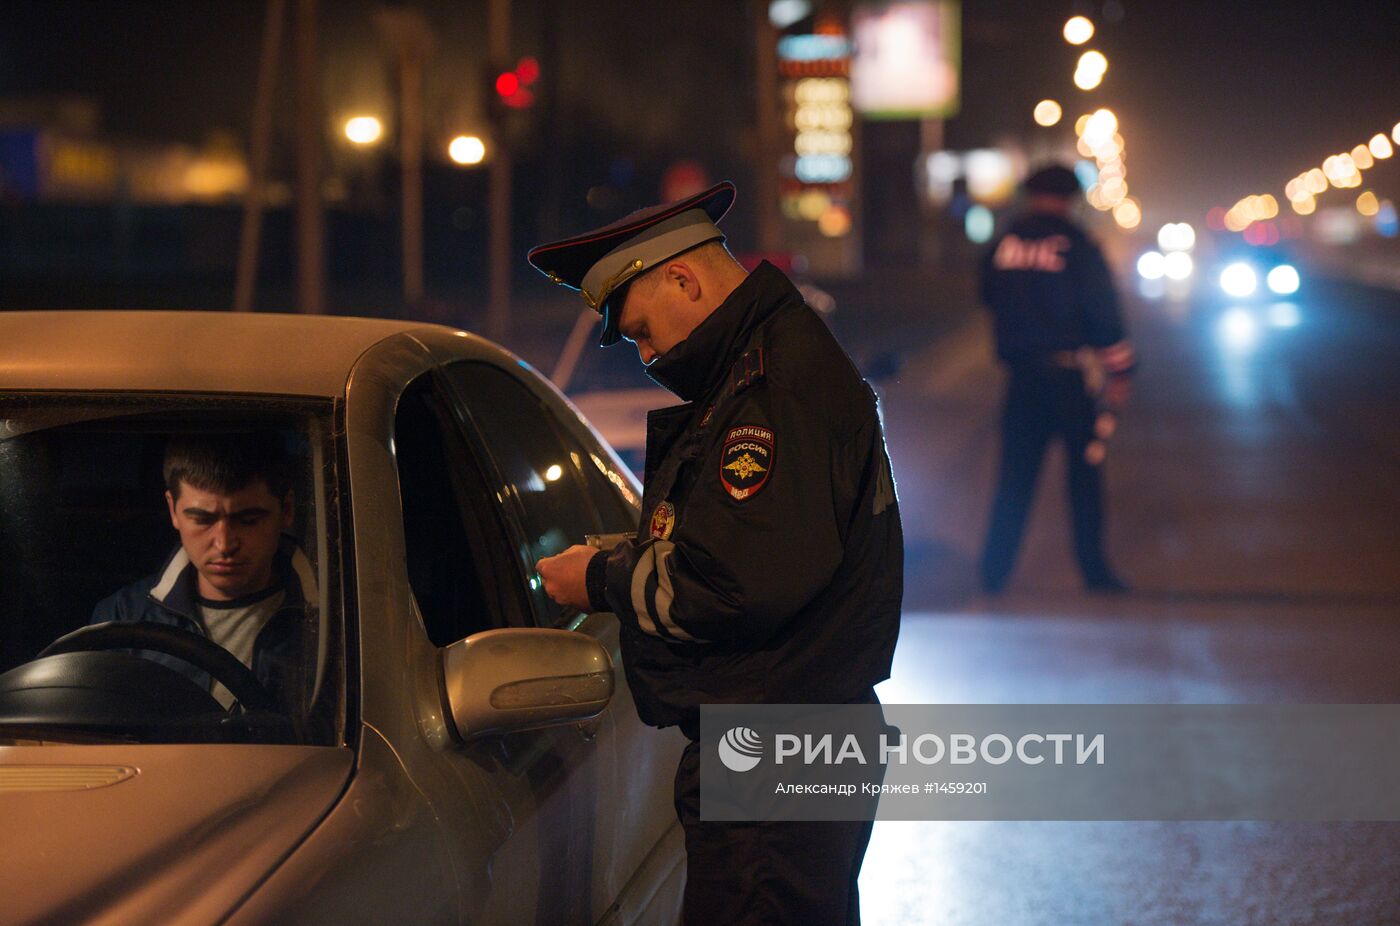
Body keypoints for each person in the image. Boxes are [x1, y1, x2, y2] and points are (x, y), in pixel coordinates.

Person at [528, 181, 903, 925]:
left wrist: (599, 579)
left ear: (683, 278)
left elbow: (736, 584)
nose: (645, 354)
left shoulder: (771, 387)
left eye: (640, 329)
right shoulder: (766, 364)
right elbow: (751, 542)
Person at [977, 164, 1136, 593]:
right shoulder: (1078, 246)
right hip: (1068, 379)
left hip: (1021, 378)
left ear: (1029, 195)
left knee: (1014, 477)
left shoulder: (1003, 245)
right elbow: (1102, 313)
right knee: (1084, 476)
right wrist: (1120, 370)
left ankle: (993, 573)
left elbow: (988, 296)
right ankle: (1095, 573)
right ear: (1070, 199)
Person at [91, 431, 318, 712]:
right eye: (202, 520)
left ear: (286, 509)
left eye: (248, 520)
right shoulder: (123, 617)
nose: (224, 544)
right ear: (173, 510)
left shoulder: (334, 618)